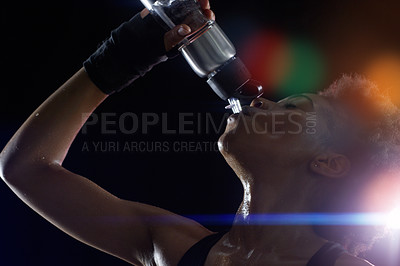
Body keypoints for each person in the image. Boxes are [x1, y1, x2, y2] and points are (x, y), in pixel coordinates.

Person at [1, 0, 399, 265]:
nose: (263, 103)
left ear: (329, 162)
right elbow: (24, 169)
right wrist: (121, 57)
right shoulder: (172, 245)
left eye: (293, 107)